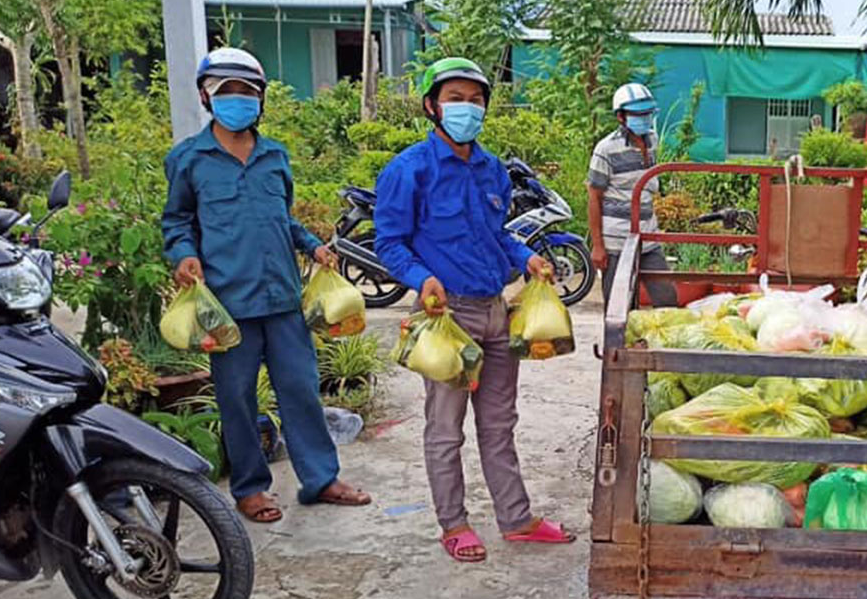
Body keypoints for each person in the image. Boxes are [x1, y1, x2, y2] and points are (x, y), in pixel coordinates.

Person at [373, 57, 574, 563]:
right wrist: (422, 279)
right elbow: (389, 242)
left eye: (476, 99)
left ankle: (516, 518)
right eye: (455, 98)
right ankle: (454, 523)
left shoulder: (491, 169)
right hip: (445, 317)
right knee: (445, 428)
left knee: (499, 423)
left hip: (495, 310)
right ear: (431, 106)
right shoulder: (408, 170)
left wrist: (525, 256)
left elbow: (495, 234)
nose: (467, 108)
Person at [162, 47, 372, 523]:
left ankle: (321, 479)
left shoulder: (275, 156)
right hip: (227, 305)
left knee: (301, 389)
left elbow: (284, 220)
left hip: (281, 297)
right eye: (226, 91)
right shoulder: (189, 159)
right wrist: (184, 255)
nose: (238, 100)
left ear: (260, 100)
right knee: (236, 400)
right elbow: (176, 222)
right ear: (206, 96)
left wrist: (314, 245)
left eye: (247, 92)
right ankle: (250, 488)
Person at [587, 83, 678, 308]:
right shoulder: (606, 149)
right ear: (621, 117)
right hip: (616, 241)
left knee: (667, 298)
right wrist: (598, 245)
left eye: (647, 114)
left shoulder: (653, 141)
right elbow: (594, 197)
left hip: (648, 238)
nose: (644, 120)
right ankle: (620, 344)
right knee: (618, 306)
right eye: (638, 115)